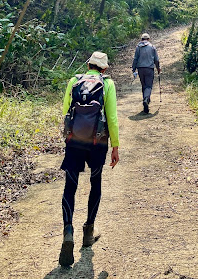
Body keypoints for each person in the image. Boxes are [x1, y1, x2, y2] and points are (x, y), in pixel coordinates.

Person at [59, 51, 119, 267]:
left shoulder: (74, 81)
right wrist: (115, 146)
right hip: (98, 143)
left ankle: (68, 231)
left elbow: (66, 111)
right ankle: (88, 231)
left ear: (88, 65)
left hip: (74, 141)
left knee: (70, 186)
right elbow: (111, 117)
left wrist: (70, 135)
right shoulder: (108, 84)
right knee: (95, 184)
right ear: (103, 68)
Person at [132, 32, 160, 113]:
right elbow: (156, 60)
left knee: (144, 85)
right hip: (149, 68)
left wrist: (133, 69)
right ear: (148, 39)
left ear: (141, 39)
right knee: (148, 86)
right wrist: (158, 68)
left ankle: (145, 102)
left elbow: (135, 59)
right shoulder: (152, 47)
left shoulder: (138, 47)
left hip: (140, 69)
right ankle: (146, 99)